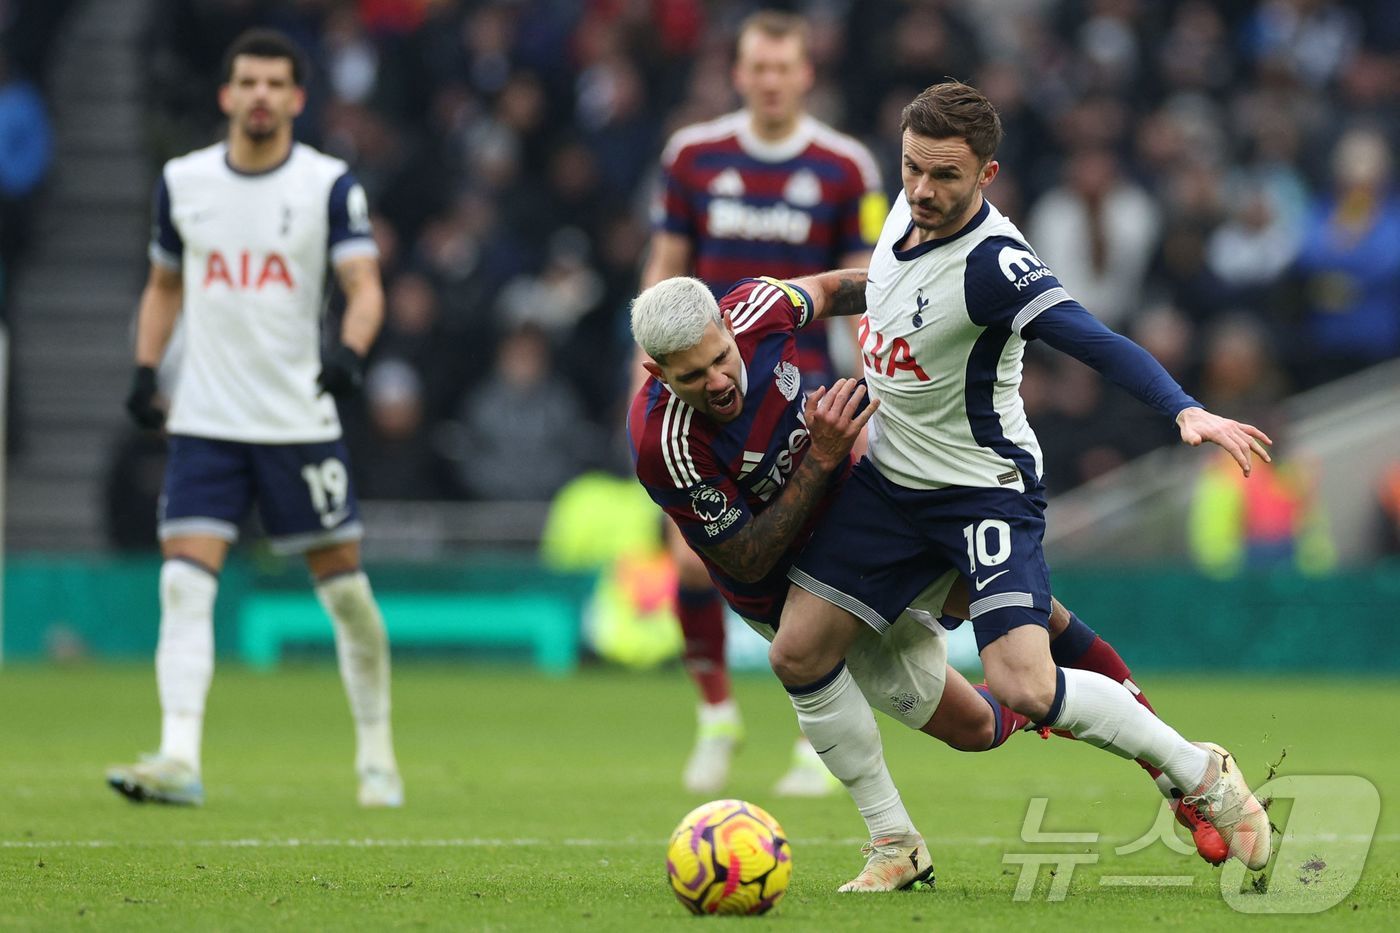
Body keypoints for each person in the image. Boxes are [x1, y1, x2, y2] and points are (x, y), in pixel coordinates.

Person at [778, 81, 1274, 884]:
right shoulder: (904, 211)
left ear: (989, 173)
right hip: (890, 490)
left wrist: (1184, 410)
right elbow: (887, 287)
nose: (923, 190)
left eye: (946, 176)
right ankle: (894, 843)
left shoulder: (995, 264)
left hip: (982, 492)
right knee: (798, 652)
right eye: (912, 169)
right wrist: (807, 296)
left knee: (1021, 681)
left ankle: (1199, 771)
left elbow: (1093, 337)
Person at [629, 271, 1226, 891]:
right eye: (692, 377)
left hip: (876, 523)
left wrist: (920, 303)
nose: (718, 382)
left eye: (720, 359)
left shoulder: (762, 307)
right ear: (656, 373)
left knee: (1038, 617)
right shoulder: (663, 442)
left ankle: (1182, 776)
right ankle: (928, 820)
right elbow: (747, 559)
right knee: (976, 729)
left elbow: (838, 291)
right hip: (786, 586)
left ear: (728, 327)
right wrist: (822, 456)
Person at [107, 29, 402, 809]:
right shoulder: (184, 181)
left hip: (297, 420)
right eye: (249, 82)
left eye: (277, 83)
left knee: (344, 596)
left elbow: (364, 284)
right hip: (206, 418)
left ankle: (376, 751)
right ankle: (178, 754)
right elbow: (164, 283)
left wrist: (350, 350)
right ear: (226, 95)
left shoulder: (328, 184)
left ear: (298, 99)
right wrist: (145, 368)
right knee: (183, 584)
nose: (262, 95)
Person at [640, 9, 887, 797]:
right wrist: (643, 378)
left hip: (805, 390)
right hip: (707, 393)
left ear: (805, 74)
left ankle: (817, 736)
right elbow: (666, 266)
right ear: (738, 73)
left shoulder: (845, 166)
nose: (771, 80)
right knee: (694, 554)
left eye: (785, 68)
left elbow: (862, 277)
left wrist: (865, 388)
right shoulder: (694, 156)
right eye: (758, 67)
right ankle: (716, 717)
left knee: (822, 561)